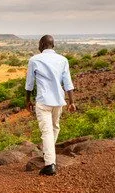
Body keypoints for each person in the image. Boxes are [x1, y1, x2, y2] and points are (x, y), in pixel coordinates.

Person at [25, 35, 77, 176]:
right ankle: (49, 154)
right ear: (52, 45)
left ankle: (50, 164)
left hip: (43, 101)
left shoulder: (34, 60)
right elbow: (68, 83)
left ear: (42, 44)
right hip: (58, 100)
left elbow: (29, 83)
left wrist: (27, 100)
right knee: (54, 128)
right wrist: (71, 102)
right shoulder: (63, 60)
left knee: (47, 132)